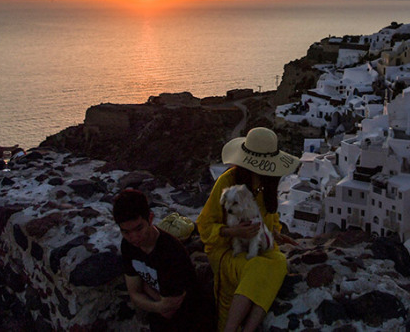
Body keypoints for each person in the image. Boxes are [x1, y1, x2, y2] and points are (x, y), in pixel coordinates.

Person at [196, 127, 300, 332]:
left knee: (279, 261)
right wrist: (234, 232)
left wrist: (277, 235)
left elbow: (267, 221)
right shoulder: (227, 182)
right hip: (227, 250)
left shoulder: (268, 183)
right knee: (258, 267)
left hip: (256, 246)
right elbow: (204, 225)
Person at [113, 188, 215, 332]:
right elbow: (134, 293)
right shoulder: (128, 246)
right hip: (160, 321)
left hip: (192, 321)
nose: (134, 237)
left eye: (139, 228)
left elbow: (169, 309)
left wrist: (145, 289)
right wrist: (157, 305)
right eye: (126, 232)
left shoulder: (170, 252)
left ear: (150, 218)